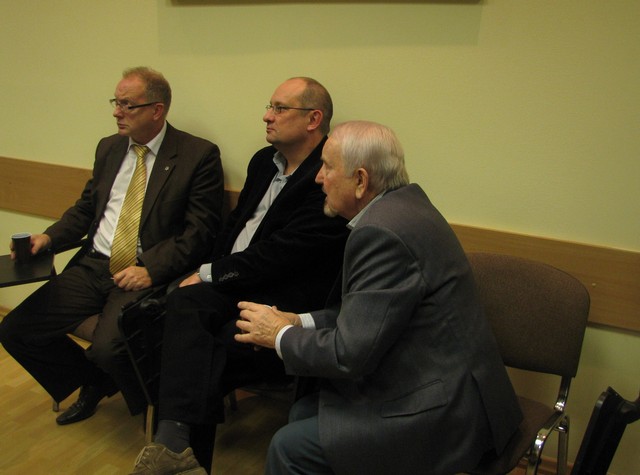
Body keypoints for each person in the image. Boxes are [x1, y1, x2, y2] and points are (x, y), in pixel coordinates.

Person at [235, 120, 524, 475]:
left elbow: (348, 355)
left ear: (360, 180)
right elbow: (364, 313)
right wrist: (299, 321)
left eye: (327, 167)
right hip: (441, 381)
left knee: (288, 446)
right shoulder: (405, 205)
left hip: (445, 409)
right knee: (303, 410)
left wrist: (278, 335)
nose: (318, 178)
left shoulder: (381, 233)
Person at [129, 77, 349, 475]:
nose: (267, 116)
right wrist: (209, 271)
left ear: (313, 119)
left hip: (282, 298)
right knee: (183, 313)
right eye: (269, 106)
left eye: (280, 108)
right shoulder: (263, 162)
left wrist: (209, 273)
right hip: (236, 280)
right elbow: (234, 225)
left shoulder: (327, 174)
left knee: (195, 351)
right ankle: (176, 450)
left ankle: (175, 448)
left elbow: (282, 255)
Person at [0, 67, 224, 426]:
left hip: (141, 271)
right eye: (115, 103)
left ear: (157, 110)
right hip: (94, 264)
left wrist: (150, 269)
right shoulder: (110, 148)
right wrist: (50, 238)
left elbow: (199, 233)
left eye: (127, 105)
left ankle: (148, 407)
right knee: (15, 330)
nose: (117, 112)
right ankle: (93, 382)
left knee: (108, 349)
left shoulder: (197, 155)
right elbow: (86, 208)